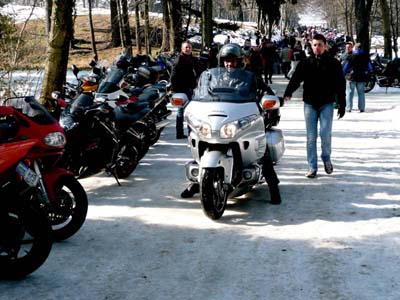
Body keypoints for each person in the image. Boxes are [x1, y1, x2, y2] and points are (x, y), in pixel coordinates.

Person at [181, 43, 281, 204]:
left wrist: (271, 100)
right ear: (221, 61)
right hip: (218, 118)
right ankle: (196, 182)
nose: (229, 63)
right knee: (203, 141)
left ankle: (273, 187)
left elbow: (265, 91)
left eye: (233, 60)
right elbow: (202, 92)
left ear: (239, 61)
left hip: (241, 117)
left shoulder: (250, 77)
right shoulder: (214, 77)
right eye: (226, 60)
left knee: (262, 151)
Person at [283, 33, 346, 178]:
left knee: (325, 134)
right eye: (315, 45)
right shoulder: (306, 63)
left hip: (326, 103)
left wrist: (342, 103)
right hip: (310, 104)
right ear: (311, 46)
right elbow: (296, 79)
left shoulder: (333, 63)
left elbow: (340, 84)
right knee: (311, 137)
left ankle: (326, 158)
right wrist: (288, 92)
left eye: (320, 45)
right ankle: (312, 166)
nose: (317, 48)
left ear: (325, 46)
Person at [170, 40, 198, 139]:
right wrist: (174, 89)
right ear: (182, 49)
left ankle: (191, 132)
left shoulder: (192, 59)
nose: (188, 49)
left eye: (189, 47)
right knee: (181, 111)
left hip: (190, 88)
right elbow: (173, 76)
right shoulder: (178, 60)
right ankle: (179, 133)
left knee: (191, 111)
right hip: (181, 89)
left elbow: (198, 70)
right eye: (186, 47)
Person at [343, 43, 372, 113]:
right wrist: (366, 72)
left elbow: (345, 67)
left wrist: (343, 74)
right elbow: (370, 67)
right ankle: (362, 108)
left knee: (349, 93)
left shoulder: (350, 56)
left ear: (355, 48)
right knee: (361, 93)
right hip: (361, 77)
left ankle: (348, 108)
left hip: (351, 77)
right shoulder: (365, 56)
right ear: (361, 48)